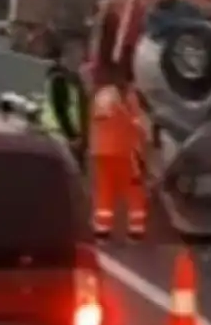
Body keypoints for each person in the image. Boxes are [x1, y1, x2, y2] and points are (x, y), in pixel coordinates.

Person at [88, 64, 148, 241]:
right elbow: (138, 126)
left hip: (101, 150)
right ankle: (136, 229)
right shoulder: (128, 97)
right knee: (134, 189)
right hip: (123, 150)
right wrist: (142, 152)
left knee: (105, 189)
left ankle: (102, 229)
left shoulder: (101, 95)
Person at [40, 54, 89, 171]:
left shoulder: (71, 83)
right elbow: (61, 111)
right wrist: (72, 137)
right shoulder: (59, 80)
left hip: (64, 135)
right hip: (59, 135)